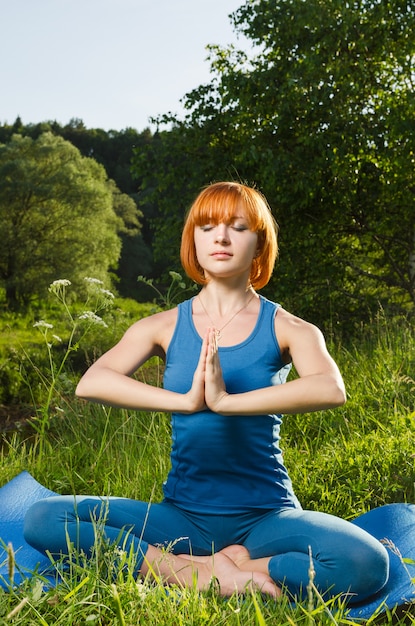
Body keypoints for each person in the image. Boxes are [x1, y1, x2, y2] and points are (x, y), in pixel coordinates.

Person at [24, 181, 389, 602]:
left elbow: (331, 388)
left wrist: (225, 403)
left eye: (238, 226)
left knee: (366, 564)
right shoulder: (160, 326)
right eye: (207, 226)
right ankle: (192, 572)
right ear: (192, 240)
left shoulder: (289, 328)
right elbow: (93, 382)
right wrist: (185, 402)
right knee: (43, 518)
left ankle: (236, 566)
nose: (220, 237)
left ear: (259, 243)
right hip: (181, 519)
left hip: (265, 519)